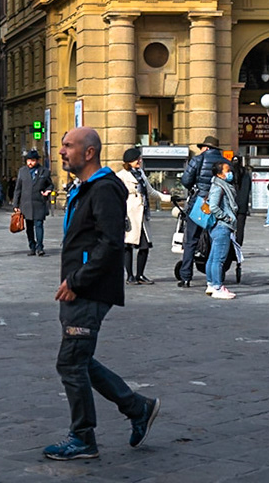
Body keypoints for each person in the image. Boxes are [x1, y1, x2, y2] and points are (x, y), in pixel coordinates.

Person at [44, 126, 159, 461]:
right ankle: (137, 408)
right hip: (79, 287)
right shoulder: (87, 188)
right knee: (78, 360)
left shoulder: (104, 189)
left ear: (89, 152)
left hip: (89, 289)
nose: (62, 151)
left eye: (68, 146)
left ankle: (83, 438)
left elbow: (110, 245)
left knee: (70, 363)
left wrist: (77, 281)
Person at [174, 137, 221, 288]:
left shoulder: (197, 159)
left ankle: (186, 277)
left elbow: (186, 181)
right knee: (215, 241)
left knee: (191, 241)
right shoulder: (224, 162)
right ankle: (214, 278)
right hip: (218, 204)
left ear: (206, 148)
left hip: (199, 204)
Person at [120, 147, 167, 285]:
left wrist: (169, 198)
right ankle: (130, 276)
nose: (139, 161)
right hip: (129, 214)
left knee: (144, 245)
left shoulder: (141, 173)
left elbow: (151, 192)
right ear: (129, 161)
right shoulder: (121, 176)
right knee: (128, 245)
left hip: (142, 213)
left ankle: (140, 275)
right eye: (137, 159)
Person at [201, 155, 240, 300]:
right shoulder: (219, 187)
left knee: (213, 257)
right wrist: (226, 217)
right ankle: (218, 286)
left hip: (216, 227)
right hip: (222, 226)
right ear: (219, 174)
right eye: (227, 170)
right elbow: (213, 207)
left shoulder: (218, 185)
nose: (230, 173)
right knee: (219, 258)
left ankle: (211, 284)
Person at [15, 150, 53, 256]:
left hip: (39, 202)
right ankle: (32, 246)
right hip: (26, 203)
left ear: (37, 161)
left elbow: (50, 184)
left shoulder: (44, 171)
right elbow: (18, 189)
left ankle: (40, 247)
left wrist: (47, 191)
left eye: (32, 160)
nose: (30, 163)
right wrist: (16, 204)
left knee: (39, 225)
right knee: (29, 227)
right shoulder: (22, 171)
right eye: (28, 160)